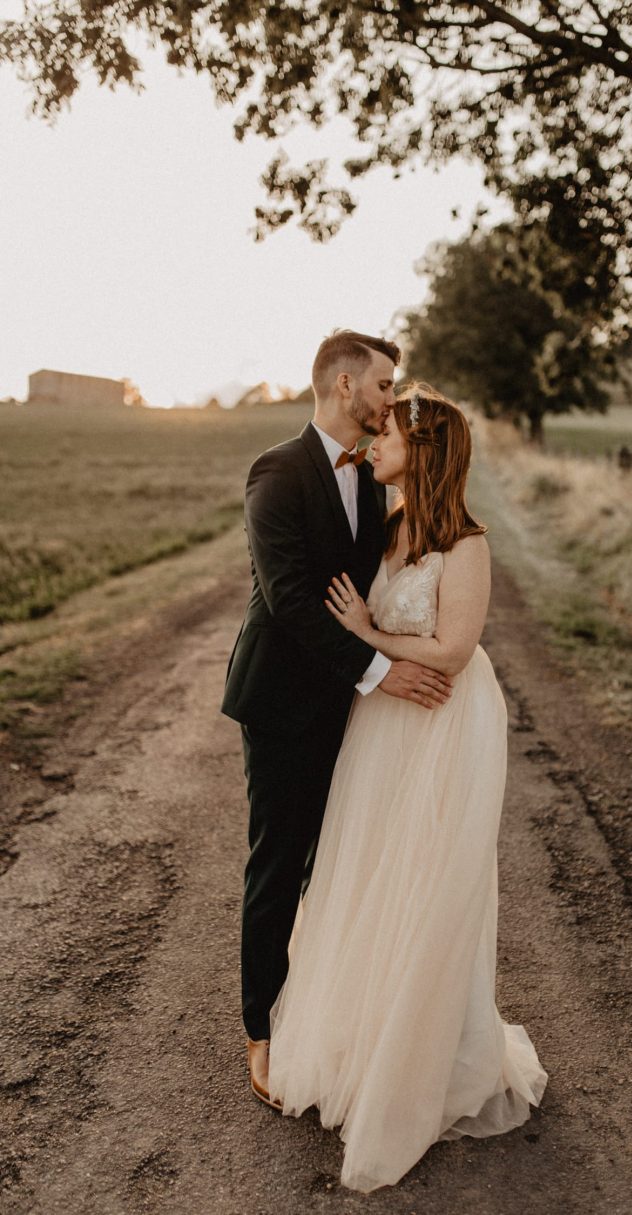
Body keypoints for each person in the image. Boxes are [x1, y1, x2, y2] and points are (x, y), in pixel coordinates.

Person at [265, 384, 548, 1192]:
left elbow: (454, 650)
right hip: (383, 724)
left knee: (428, 883)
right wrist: (370, 653)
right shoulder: (386, 530)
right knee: (368, 872)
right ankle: (363, 1033)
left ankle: (429, 1058)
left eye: (388, 428)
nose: (376, 435)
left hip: (444, 725)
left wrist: (367, 637)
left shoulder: (467, 544)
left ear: (424, 449)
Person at [221, 333, 453, 1107]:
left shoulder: (375, 485)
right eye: (385, 384)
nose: (393, 397)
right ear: (345, 383)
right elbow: (289, 601)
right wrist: (385, 672)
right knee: (280, 863)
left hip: (343, 707)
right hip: (284, 702)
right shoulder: (278, 471)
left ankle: (322, 1010)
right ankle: (262, 1029)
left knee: (340, 864)